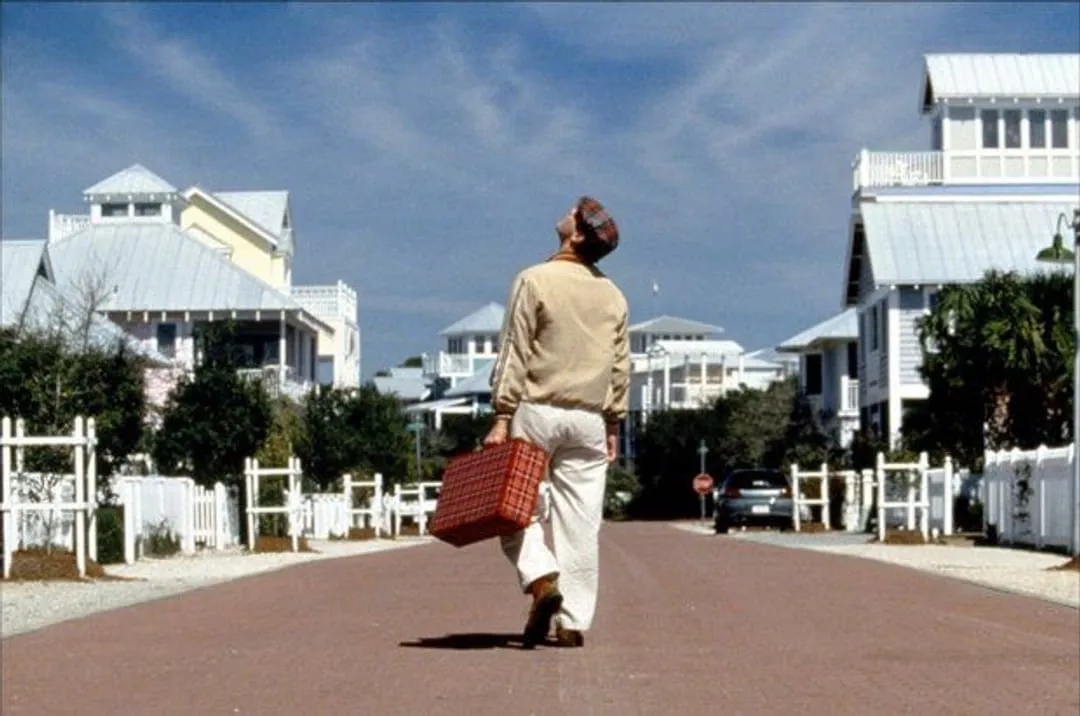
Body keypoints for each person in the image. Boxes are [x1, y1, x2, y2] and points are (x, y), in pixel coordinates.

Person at [483, 195, 630, 649]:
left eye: (574, 212)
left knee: (513, 509)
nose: (565, 211)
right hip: (588, 417)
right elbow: (621, 365)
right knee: (581, 524)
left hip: (537, 410)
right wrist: (613, 424)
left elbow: (515, 351)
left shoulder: (534, 280)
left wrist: (502, 415)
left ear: (577, 233)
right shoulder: (613, 295)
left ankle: (542, 578)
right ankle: (572, 622)